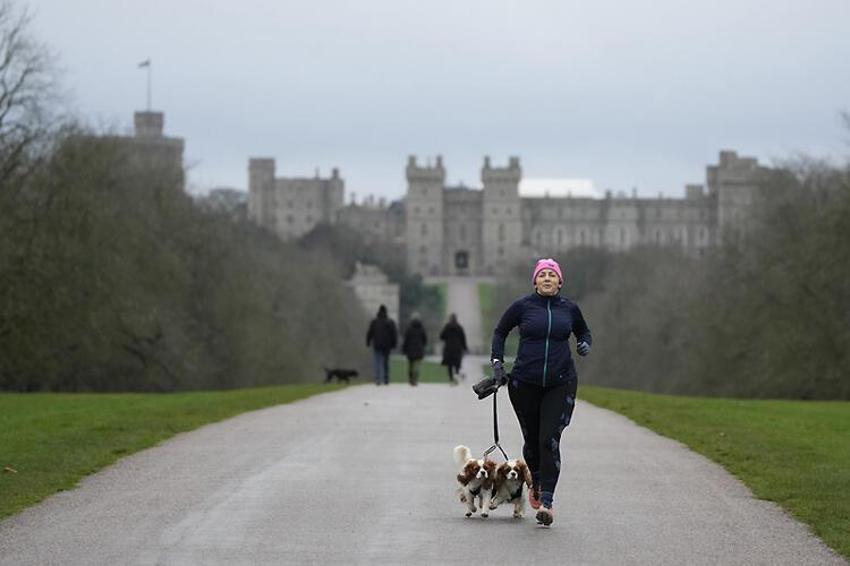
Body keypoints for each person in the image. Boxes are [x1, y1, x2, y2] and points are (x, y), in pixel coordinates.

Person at [490, 258, 592, 526]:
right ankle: (534, 479)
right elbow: (500, 332)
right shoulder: (522, 307)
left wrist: (583, 342)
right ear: (535, 281)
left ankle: (547, 501)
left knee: (550, 439)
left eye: (552, 275)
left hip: (560, 382)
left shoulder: (569, 309)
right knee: (532, 440)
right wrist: (497, 363)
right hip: (525, 383)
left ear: (560, 281)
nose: (547, 278)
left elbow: (583, 331)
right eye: (542, 275)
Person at [366, 304, 397, 385]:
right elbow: (394, 334)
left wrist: (368, 342)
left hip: (377, 344)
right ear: (386, 312)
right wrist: (394, 344)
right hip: (387, 346)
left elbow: (370, 333)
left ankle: (377, 379)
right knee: (386, 362)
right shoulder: (390, 322)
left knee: (377, 361)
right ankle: (386, 378)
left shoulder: (374, 322)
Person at [439, 313, 467, 385]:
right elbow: (463, 339)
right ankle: (456, 376)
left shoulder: (447, 327)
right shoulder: (459, 327)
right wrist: (465, 348)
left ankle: (451, 379)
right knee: (457, 364)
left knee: (450, 365)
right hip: (457, 348)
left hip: (449, 348)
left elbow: (442, 336)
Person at [401, 312, 427, 386]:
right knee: (417, 365)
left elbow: (406, 340)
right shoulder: (422, 328)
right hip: (419, 349)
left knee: (410, 365)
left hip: (410, 350)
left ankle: (411, 379)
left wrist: (403, 349)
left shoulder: (409, 329)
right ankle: (415, 379)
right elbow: (425, 340)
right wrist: (423, 346)